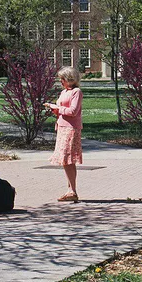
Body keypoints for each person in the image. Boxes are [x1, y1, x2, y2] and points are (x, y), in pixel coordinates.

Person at [44, 66, 83, 202]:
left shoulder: (76, 92)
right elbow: (62, 109)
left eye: (63, 79)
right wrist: (54, 109)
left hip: (71, 129)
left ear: (70, 79)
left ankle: (72, 191)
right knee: (66, 160)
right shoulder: (64, 92)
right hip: (62, 127)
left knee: (67, 159)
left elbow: (73, 111)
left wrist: (57, 108)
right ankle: (70, 190)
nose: (61, 81)